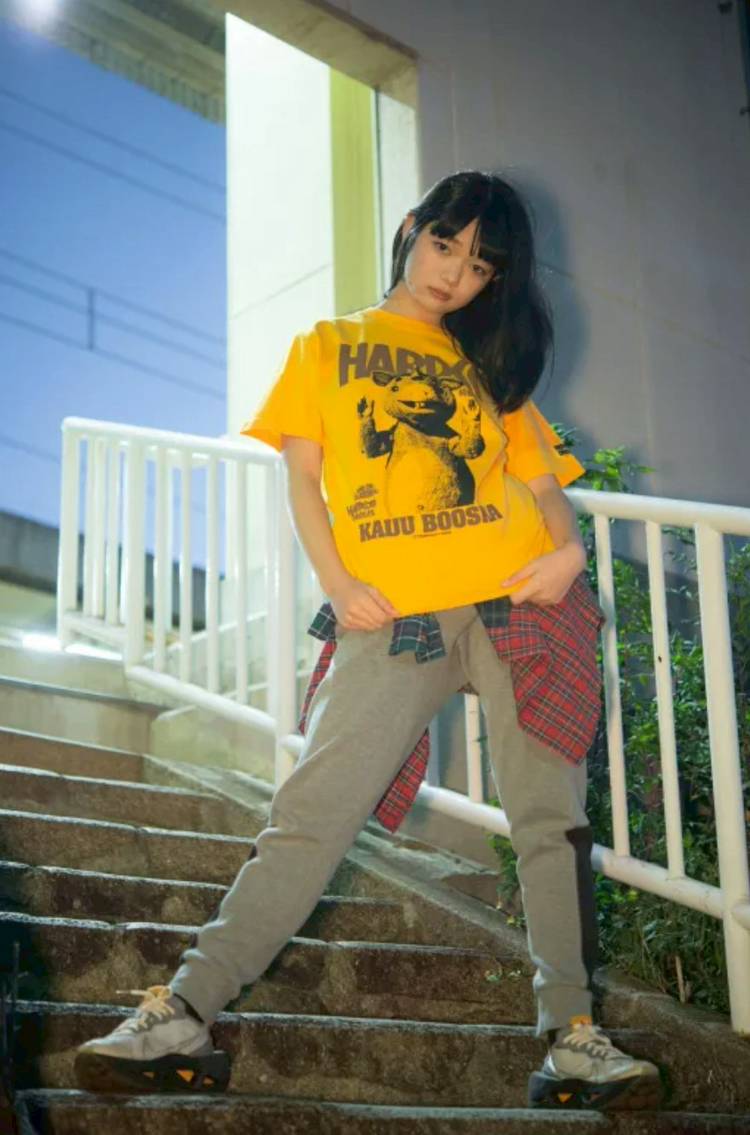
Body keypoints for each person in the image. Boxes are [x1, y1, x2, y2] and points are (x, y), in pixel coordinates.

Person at [74, 169, 661, 1111]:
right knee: (313, 810)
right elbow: (304, 480)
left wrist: (570, 554)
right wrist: (340, 584)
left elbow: (545, 486)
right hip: (396, 614)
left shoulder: (486, 366)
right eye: (445, 245)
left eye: (480, 266)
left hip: (521, 600)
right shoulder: (330, 344)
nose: (453, 274)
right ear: (411, 228)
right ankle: (183, 1011)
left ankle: (573, 1037)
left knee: (548, 821)